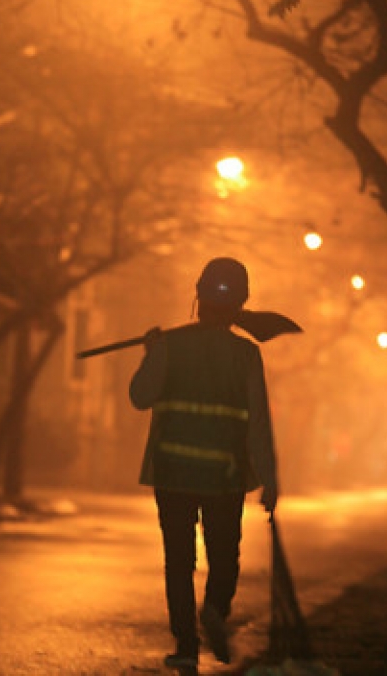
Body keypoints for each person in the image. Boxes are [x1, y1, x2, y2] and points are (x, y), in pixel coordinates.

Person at [129, 257, 278, 669]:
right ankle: (215, 608)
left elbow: (140, 396)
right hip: (224, 477)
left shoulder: (170, 346)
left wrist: (150, 354)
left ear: (198, 295)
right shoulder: (246, 356)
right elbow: (259, 423)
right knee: (224, 555)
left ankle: (185, 645)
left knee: (178, 560)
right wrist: (270, 479)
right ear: (241, 304)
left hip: (173, 473)